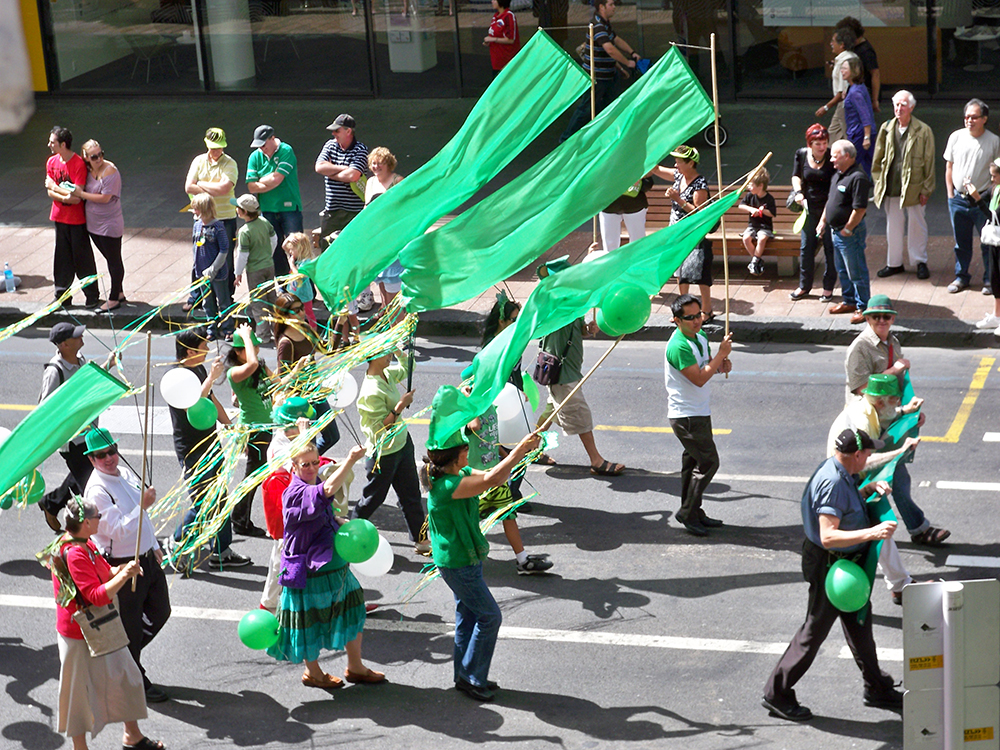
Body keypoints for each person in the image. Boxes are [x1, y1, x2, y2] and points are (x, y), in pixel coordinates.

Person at [762, 428, 904, 722]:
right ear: (856, 455)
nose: (869, 457)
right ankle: (777, 693)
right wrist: (874, 532)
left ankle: (876, 687)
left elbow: (846, 502)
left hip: (847, 567)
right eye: (868, 453)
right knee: (813, 631)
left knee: (860, 626)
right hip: (832, 566)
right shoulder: (832, 483)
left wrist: (867, 490)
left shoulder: (839, 470)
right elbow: (828, 536)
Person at [424, 389, 541, 701]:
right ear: (453, 456)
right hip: (459, 563)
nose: (467, 453)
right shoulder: (449, 486)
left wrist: (522, 450)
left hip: (463, 559)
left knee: (468, 615)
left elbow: (492, 475)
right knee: (490, 616)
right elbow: (490, 479)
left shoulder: (455, 473)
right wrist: (518, 452)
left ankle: (464, 675)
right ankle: (474, 677)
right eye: (463, 450)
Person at [265, 441, 385, 689]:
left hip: (336, 568)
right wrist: (351, 459)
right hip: (310, 574)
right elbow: (328, 490)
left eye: (314, 463)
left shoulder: (312, 481)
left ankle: (355, 666)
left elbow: (322, 508)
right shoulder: (295, 493)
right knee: (310, 623)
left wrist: (338, 520)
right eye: (304, 464)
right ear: (293, 467)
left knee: (353, 609)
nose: (310, 468)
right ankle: (313, 673)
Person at [48, 495, 163, 750]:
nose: (101, 520)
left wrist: (123, 569)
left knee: (126, 675)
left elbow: (104, 571)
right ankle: (81, 747)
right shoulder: (75, 552)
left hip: (100, 625)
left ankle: (131, 735)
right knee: (77, 694)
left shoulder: (84, 542)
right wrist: (124, 578)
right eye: (98, 517)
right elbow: (97, 596)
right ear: (86, 523)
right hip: (79, 632)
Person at [844, 296, 952, 552]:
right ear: (867, 318)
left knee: (895, 478)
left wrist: (911, 414)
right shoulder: (860, 348)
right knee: (886, 478)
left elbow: (898, 387)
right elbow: (862, 389)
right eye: (876, 317)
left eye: (887, 317)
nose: (882, 321)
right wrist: (896, 369)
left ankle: (908, 529)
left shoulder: (893, 342)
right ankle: (910, 530)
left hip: (889, 421)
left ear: (893, 319)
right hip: (869, 426)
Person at [82, 428, 171, 704]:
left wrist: (154, 544)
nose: (109, 458)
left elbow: (142, 516)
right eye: (101, 455)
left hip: (145, 558)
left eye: (112, 451)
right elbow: (118, 530)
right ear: (91, 459)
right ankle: (133, 675)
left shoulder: (126, 474)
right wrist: (142, 507)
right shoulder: (97, 490)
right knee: (131, 626)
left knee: (161, 611)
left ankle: (120, 660)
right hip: (123, 565)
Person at [829, 372, 949, 549]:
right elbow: (864, 462)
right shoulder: (863, 422)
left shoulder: (869, 407)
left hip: (855, 464)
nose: (898, 404)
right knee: (882, 514)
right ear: (879, 402)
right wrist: (899, 452)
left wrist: (905, 411)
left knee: (899, 475)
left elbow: (886, 413)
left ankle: (916, 529)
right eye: (895, 400)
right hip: (850, 474)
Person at [164, 326, 249, 573]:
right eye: (204, 347)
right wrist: (211, 378)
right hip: (191, 448)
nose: (208, 351)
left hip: (210, 442)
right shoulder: (176, 377)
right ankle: (177, 541)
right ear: (190, 350)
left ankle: (221, 550)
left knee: (220, 497)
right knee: (204, 501)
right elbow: (193, 406)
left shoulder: (198, 369)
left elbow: (210, 400)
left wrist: (230, 426)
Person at [536, 283, 625, 477]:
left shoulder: (571, 308)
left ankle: (530, 447)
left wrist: (587, 328)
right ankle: (596, 460)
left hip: (565, 373)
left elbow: (576, 331)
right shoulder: (557, 311)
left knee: (550, 413)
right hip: (563, 376)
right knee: (582, 417)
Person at [665, 294, 732, 536]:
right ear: (676, 320)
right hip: (687, 415)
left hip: (700, 411)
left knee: (692, 463)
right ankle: (687, 512)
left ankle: (694, 511)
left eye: (699, 315)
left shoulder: (700, 337)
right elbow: (700, 378)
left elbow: (707, 367)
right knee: (709, 462)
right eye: (690, 318)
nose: (697, 321)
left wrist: (721, 363)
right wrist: (720, 356)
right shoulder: (678, 346)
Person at [354, 349, 429, 553]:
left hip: (402, 443)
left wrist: (398, 349)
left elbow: (408, 367)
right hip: (383, 454)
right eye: (385, 352)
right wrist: (399, 407)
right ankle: (350, 530)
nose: (389, 356)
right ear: (373, 356)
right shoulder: (370, 390)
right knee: (373, 498)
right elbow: (379, 428)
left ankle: (421, 541)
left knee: (411, 494)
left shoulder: (386, 374)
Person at [38, 323, 100, 531]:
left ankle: (51, 503)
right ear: (64, 344)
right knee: (91, 486)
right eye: (75, 336)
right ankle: (91, 534)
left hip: (90, 433)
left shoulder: (81, 360)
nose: (81, 336)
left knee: (86, 473)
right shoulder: (55, 371)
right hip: (72, 441)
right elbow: (45, 410)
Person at [871, 91, 936, 281]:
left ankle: (919, 261)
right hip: (892, 185)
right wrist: (878, 183)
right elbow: (878, 159)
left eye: (903, 105)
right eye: (896, 105)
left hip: (915, 186)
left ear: (912, 108)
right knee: (893, 225)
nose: (899, 109)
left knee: (917, 223)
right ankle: (894, 263)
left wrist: (927, 189)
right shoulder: (886, 128)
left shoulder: (923, 130)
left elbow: (929, 161)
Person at [559, 0, 640, 143]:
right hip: (597, 77)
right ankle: (565, 139)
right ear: (602, 7)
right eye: (611, 4)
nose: (614, 7)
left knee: (613, 105)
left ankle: (613, 136)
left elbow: (616, 40)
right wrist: (627, 62)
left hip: (608, 75)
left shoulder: (605, 24)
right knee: (586, 109)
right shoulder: (598, 26)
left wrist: (631, 52)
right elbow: (609, 49)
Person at [944, 99, 1000, 294]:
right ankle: (961, 277)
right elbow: (949, 167)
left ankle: (988, 280)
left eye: (974, 117)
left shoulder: (994, 141)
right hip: (958, 200)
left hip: (982, 200)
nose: (969, 120)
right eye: (967, 116)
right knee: (961, 242)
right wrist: (950, 195)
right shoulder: (956, 137)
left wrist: (988, 196)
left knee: (988, 242)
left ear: (984, 119)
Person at [226, 324, 275, 538]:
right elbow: (252, 363)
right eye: (250, 347)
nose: (255, 350)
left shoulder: (259, 367)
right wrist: (246, 335)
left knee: (256, 475)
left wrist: (298, 371)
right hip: (254, 430)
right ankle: (239, 520)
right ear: (238, 351)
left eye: (256, 347)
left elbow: (278, 384)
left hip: (267, 427)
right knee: (252, 477)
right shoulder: (234, 373)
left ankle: (239, 518)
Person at [44, 126, 100, 309]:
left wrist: (56, 187)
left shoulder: (77, 164)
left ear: (63, 144)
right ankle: (62, 296)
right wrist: (64, 196)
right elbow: (49, 191)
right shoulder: (52, 162)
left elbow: (77, 196)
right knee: (61, 259)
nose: (49, 145)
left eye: (53, 142)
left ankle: (92, 296)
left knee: (83, 259)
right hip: (59, 217)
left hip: (77, 221)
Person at [68, 140, 126, 311]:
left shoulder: (110, 171)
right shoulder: (87, 170)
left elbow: (105, 197)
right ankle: (120, 292)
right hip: (93, 223)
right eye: (94, 156)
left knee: (114, 260)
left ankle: (114, 296)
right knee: (109, 258)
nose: (99, 158)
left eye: (101, 154)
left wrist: (81, 193)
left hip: (110, 222)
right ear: (86, 158)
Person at [817, 140, 871, 324]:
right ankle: (849, 301)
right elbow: (831, 200)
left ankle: (864, 307)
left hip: (849, 234)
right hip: (835, 231)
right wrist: (823, 220)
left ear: (847, 156)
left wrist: (848, 229)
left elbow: (860, 209)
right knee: (842, 269)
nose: (831, 159)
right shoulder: (838, 174)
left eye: (834, 156)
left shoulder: (858, 178)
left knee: (856, 270)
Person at [185, 127, 239, 302]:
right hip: (203, 219)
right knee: (199, 257)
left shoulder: (230, 163)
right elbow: (188, 187)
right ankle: (196, 297)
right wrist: (212, 188)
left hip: (225, 217)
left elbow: (224, 189)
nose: (217, 151)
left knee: (226, 257)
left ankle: (227, 297)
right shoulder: (198, 161)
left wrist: (200, 183)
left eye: (220, 147)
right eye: (213, 147)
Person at [660, 145, 714, 319]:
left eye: (678, 162)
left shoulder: (700, 185)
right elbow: (656, 169)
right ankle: (683, 309)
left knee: (699, 273)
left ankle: (706, 310)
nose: (675, 165)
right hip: (677, 233)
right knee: (680, 271)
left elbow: (698, 213)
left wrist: (677, 198)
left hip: (694, 234)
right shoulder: (678, 176)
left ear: (690, 163)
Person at [246, 125, 303, 278]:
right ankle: (284, 287)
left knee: (297, 248)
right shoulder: (255, 157)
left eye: (263, 144)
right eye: (258, 145)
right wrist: (269, 179)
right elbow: (251, 187)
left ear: (272, 138)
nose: (261, 149)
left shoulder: (286, 151)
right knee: (275, 249)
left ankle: (304, 287)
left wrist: (261, 179)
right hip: (267, 209)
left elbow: (277, 179)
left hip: (289, 208)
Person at [789, 124, 838, 302]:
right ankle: (804, 286)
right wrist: (798, 192)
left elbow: (834, 191)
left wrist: (824, 220)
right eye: (818, 144)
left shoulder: (832, 158)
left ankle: (828, 287)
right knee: (806, 248)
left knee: (830, 248)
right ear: (810, 144)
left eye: (824, 143)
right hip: (809, 209)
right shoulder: (801, 154)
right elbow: (796, 175)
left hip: (828, 207)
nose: (822, 147)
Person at [231, 193, 277, 344]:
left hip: (255, 270)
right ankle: (278, 331)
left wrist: (238, 273)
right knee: (272, 300)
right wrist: (268, 254)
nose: (236, 210)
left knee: (258, 303)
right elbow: (274, 239)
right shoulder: (264, 222)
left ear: (244, 212)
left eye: (238, 208)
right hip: (269, 266)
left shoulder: (245, 231)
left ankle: (263, 335)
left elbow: (242, 255)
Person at [315, 114, 369, 242]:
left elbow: (352, 176)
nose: (333, 133)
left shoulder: (360, 150)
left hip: (354, 212)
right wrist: (344, 168)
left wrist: (331, 171)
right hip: (332, 211)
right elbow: (319, 167)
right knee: (328, 249)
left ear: (348, 131)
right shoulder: (330, 145)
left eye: (337, 130)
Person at [365, 147, 405, 309]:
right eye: (373, 163)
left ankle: (397, 312)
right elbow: (366, 208)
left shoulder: (398, 181)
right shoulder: (370, 182)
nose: (376, 167)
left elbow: (405, 207)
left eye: (380, 163)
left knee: (393, 275)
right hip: (376, 234)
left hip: (393, 234)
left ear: (388, 164)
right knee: (380, 273)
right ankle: (385, 307)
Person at [190, 194, 234, 342]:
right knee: (207, 302)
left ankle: (228, 329)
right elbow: (195, 246)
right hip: (201, 272)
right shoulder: (197, 225)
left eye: (196, 209)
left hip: (217, 273)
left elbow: (224, 249)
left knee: (223, 301)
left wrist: (214, 268)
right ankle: (211, 328)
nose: (194, 211)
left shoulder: (218, 227)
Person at [815, 27, 858, 144]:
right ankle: (831, 158)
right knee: (832, 136)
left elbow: (842, 92)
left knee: (848, 138)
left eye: (833, 41)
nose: (831, 44)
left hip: (845, 106)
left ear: (842, 44)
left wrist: (826, 107)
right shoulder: (848, 58)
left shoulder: (845, 62)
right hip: (844, 105)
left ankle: (852, 159)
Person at [598, 173, 653, 253]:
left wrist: (640, 178)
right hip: (608, 205)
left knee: (637, 243)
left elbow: (648, 183)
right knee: (609, 247)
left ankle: (636, 264)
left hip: (634, 205)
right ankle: (612, 264)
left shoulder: (635, 161)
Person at [975, 159, 1000, 331]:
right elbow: (974, 201)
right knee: (995, 278)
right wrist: (970, 191)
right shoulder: (995, 189)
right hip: (995, 241)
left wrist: (977, 199)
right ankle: (997, 316)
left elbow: (994, 216)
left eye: (994, 176)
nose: (992, 179)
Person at [836, 16, 880, 112]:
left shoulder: (866, 51)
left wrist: (875, 99)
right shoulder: (854, 47)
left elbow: (875, 74)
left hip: (862, 93)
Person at [841, 56, 875, 177]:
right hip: (861, 133)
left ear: (853, 71)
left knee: (849, 164)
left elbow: (865, 115)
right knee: (869, 166)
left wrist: (866, 137)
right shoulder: (856, 88)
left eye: (845, 68)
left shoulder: (855, 92)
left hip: (859, 134)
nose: (842, 71)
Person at [741, 168, 776, 277]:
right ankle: (757, 261)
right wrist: (751, 209)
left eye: (751, 185)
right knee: (746, 238)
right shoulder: (750, 196)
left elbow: (772, 214)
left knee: (761, 238)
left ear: (760, 186)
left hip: (765, 226)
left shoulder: (769, 199)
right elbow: (741, 205)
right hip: (753, 225)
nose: (749, 187)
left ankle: (754, 262)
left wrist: (762, 211)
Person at [282, 232, 319, 330]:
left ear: (300, 249)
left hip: (304, 296)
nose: (290, 252)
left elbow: (298, 276)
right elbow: (284, 246)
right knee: (294, 313)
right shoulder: (297, 258)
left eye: (292, 250)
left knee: (308, 314)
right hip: (294, 293)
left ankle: (313, 333)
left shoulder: (306, 262)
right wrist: (289, 238)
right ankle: (297, 331)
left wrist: (291, 265)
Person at [484, 0, 520, 75]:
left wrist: (493, 39)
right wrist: (489, 42)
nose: (492, 1)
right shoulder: (495, 16)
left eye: (494, 0)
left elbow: (511, 40)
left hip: (507, 60)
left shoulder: (508, 16)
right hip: (496, 61)